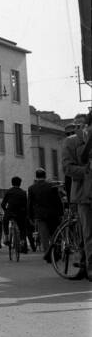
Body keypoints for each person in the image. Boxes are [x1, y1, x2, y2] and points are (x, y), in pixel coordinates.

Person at [63, 112, 92, 280]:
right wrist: (87, 171)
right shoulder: (71, 142)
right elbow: (67, 168)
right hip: (82, 193)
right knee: (87, 232)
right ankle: (88, 268)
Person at [27, 168, 64, 257]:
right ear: (45, 176)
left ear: (36, 177)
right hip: (53, 214)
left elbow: (30, 203)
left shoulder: (32, 188)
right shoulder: (51, 186)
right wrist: (61, 213)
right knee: (54, 234)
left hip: (40, 215)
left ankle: (47, 253)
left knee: (44, 235)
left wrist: (30, 216)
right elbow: (58, 201)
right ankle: (56, 251)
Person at [1, 176, 29, 253]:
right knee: (22, 227)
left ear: (12, 183)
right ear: (20, 183)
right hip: (20, 213)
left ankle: (6, 237)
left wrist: (6, 210)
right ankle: (23, 240)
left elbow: (3, 204)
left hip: (10, 212)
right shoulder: (23, 192)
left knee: (5, 221)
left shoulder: (9, 192)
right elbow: (26, 205)